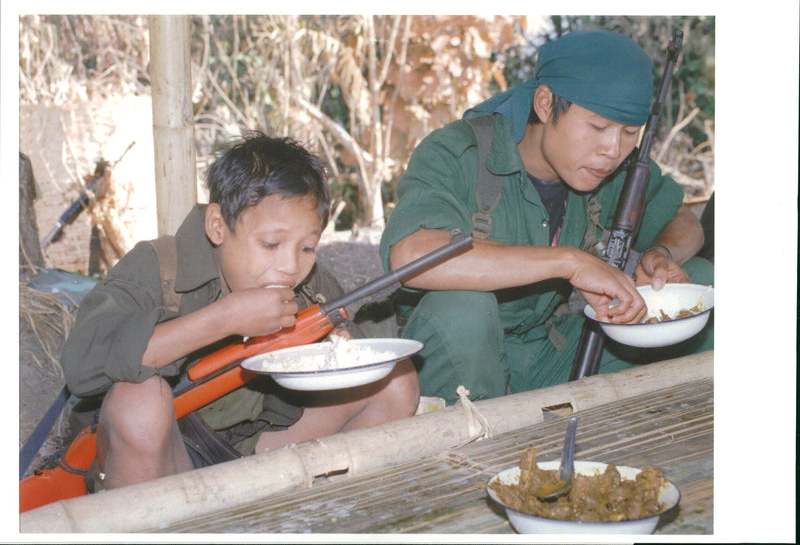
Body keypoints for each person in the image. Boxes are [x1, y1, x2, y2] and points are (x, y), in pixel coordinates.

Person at [61, 131, 420, 490]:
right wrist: (224, 318)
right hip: (167, 456)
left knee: (394, 382)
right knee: (137, 403)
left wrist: (340, 347)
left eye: (307, 248)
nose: (291, 266)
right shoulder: (160, 267)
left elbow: (349, 342)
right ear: (218, 226)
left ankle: (304, 509)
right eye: (270, 244)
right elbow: (83, 366)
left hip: (254, 448)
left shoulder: (310, 284)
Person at [379, 30, 713, 404]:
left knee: (701, 282)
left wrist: (661, 256)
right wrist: (570, 262)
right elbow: (410, 256)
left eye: (629, 132)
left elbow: (683, 221)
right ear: (544, 103)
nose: (612, 149)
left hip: (544, 352)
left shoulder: (609, 169)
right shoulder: (460, 152)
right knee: (464, 309)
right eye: (598, 127)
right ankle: (474, 438)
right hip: (458, 356)